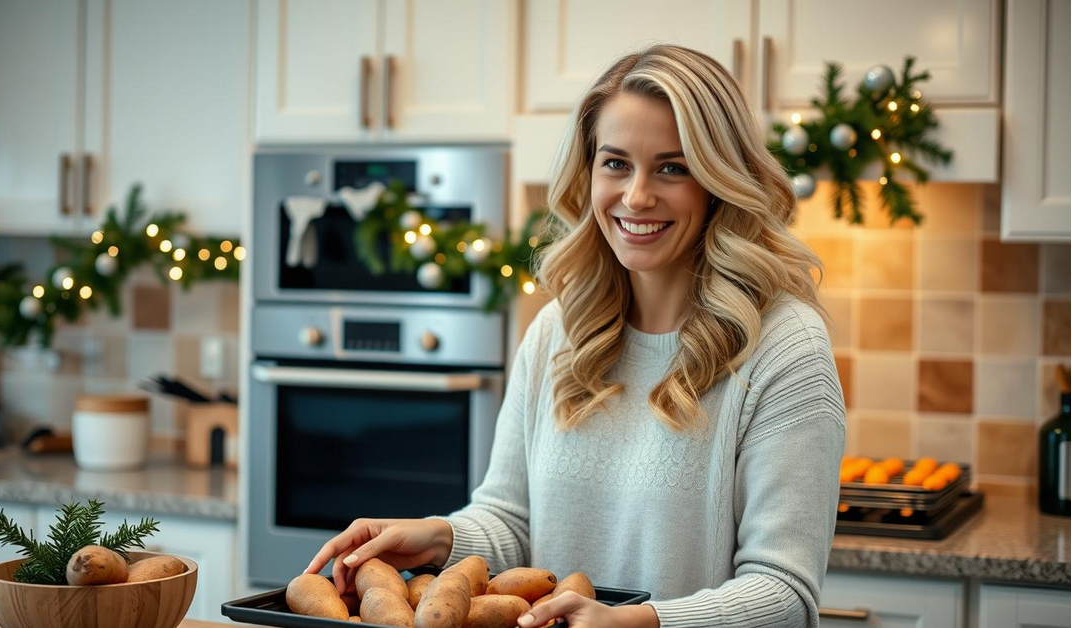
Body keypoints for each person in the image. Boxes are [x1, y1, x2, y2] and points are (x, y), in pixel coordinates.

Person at [305, 43, 845, 628]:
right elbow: (511, 521)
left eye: (673, 167)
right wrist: (439, 537)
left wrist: (637, 622)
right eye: (615, 163)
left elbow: (784, 593)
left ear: (720, 181)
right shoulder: (559, 330)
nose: (636, 196)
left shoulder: (785, 350)